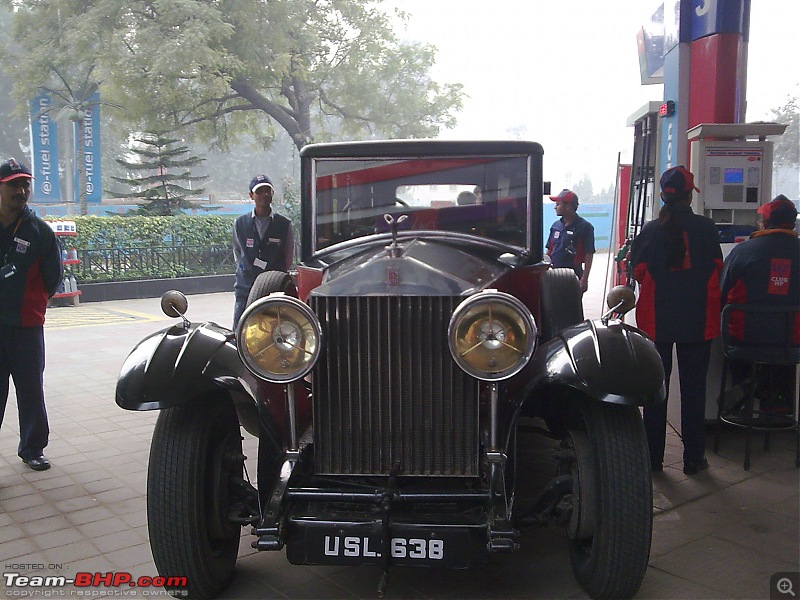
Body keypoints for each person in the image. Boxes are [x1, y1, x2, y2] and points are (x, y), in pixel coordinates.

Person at [629, 166, 723, 475]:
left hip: (657, 323)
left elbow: (638, 271)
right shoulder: (707, 228)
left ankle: (652, 460)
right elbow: (717, 267)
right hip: (698, 322)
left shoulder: (649, 231)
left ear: (662, 196)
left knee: (656, 392)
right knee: (694, 392)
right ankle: (694, 460)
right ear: (688, 196)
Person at [0, 158, 63, 471]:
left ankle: (32, 448)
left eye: (25, 184)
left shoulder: (39, 231)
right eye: (14, 184)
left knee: (30, 390)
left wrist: (35, 303)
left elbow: (54, 277)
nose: (21, 190)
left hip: (25, 327)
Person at [720, 195, 800, 413]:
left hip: (745, 341)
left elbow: (722, 292)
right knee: (781, 350)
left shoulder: (743, 251)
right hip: (792, 344)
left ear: (764, 222)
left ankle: (747, 388)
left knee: (753, 348)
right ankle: (776, 403)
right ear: (792, 223)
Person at [232, 174, 294, 328]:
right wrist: (247, 269)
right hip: (246, 285)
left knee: (273, 328)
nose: (264, 195)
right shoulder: (240, 223)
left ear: (272, 194)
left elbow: (289, 254)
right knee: (240, 328)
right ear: (251, 195)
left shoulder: (284, 224)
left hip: (273, 286)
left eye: (268, 190)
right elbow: (237, 252)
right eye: (259, 191)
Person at [545, 189, 595, 293]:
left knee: (572, 307)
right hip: (554, 275)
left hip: (573, 276)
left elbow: (588, 254)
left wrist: (584, 279)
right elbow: (550, 250)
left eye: (558, 204)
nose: (555, 207)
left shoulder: (585, 227)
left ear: (568, 206)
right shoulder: (555, 226)